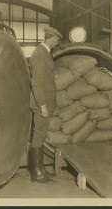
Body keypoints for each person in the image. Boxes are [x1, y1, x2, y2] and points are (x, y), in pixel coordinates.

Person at [29, 26, 63, 183]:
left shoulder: (44, 53)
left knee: (41, 135)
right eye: (57, 39)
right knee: (38, 135)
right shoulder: (39, 53)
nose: (58, 42)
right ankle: (37, 174)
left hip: (46, 102)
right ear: (51, 37)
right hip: (41, 103)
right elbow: (36, 82)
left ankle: (41, 170)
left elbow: (44, 78)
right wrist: (42, 105)